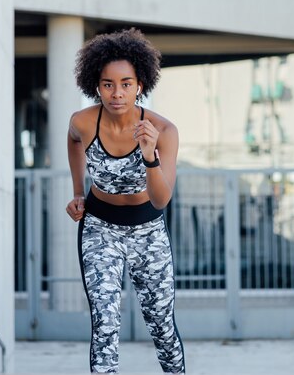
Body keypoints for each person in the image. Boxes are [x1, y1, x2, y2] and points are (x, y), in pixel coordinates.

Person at [66, 28, 185, 374]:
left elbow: (162, 200)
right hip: (99, 230)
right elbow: (73, 141)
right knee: (105, 325)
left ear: (141, 85)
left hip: (148, 231)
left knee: (162, 327)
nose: (116, 93)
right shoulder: (84, 122)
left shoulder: (163, 131)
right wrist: (78, 191)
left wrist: (149, 156)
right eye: (107, 84)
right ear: (95, 85)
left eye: (126, 84)